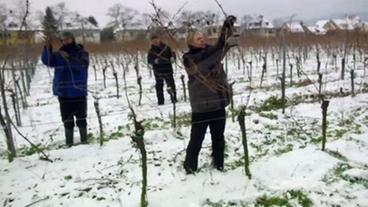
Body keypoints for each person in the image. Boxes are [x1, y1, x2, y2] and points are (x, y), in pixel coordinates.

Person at [182, 16, 238, 173]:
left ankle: (219, 165)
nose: (202, 40)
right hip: (202, 107)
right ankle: (190, 167)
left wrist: (228, 30)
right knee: (197, 139)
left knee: (219, 138)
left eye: (202, 38)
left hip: (218, 103)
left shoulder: (210, 52)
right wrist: (224, 40)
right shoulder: (189, 59)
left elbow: (218, 50)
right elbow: (213, 54)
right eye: (198, 39)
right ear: (190, 42)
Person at [41, 31, 89, 147]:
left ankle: (84, 141)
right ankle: (69, 143)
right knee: (67, 120)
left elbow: (82, 65)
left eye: (68, 39)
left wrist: (70, 58)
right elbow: (47, 61)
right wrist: (47, 47)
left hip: (78, 91)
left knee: (81, 118)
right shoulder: (58, 55)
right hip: (64, 92)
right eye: (63, 40)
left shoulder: (82, 53)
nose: (65, 41)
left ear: (72, 39)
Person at [147, 34, 177, 105]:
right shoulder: (151, 51)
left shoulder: (166, 48)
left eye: (156, 40)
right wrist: (154, 62)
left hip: (168, 69)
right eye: (153, 41)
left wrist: (173, 58)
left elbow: (172, 54)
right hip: (158, 71)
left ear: (159, 39)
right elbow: (149, 60)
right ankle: (160, 101)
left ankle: (174, 99)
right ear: (151, 42)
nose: (155, 42)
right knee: (159, 86)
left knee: (171, 84)